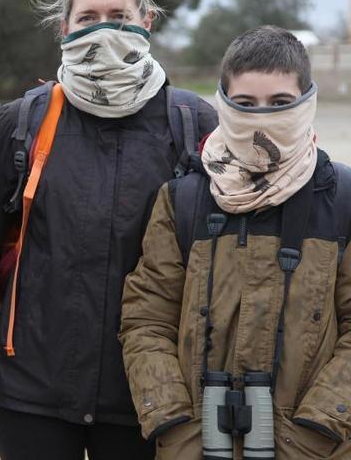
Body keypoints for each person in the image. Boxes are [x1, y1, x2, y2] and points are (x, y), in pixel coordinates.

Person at [0, 0, 219, 458]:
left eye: (119, 16)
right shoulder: (23, 121)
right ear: (64, 28)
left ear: (147, 22)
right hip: (30, 392)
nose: (104, 29)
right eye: (87, 18)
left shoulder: (194, 124)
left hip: (150, 395)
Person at [120, 26, 351, 459]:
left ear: (306, 101)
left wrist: (314, 432)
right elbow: (146, 319)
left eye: (280, 103)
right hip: (198, 444)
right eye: (245, 105)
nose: (261, 116)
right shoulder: (183, 200)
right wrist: (176, 428)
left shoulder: (342, 200)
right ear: (224, 105)